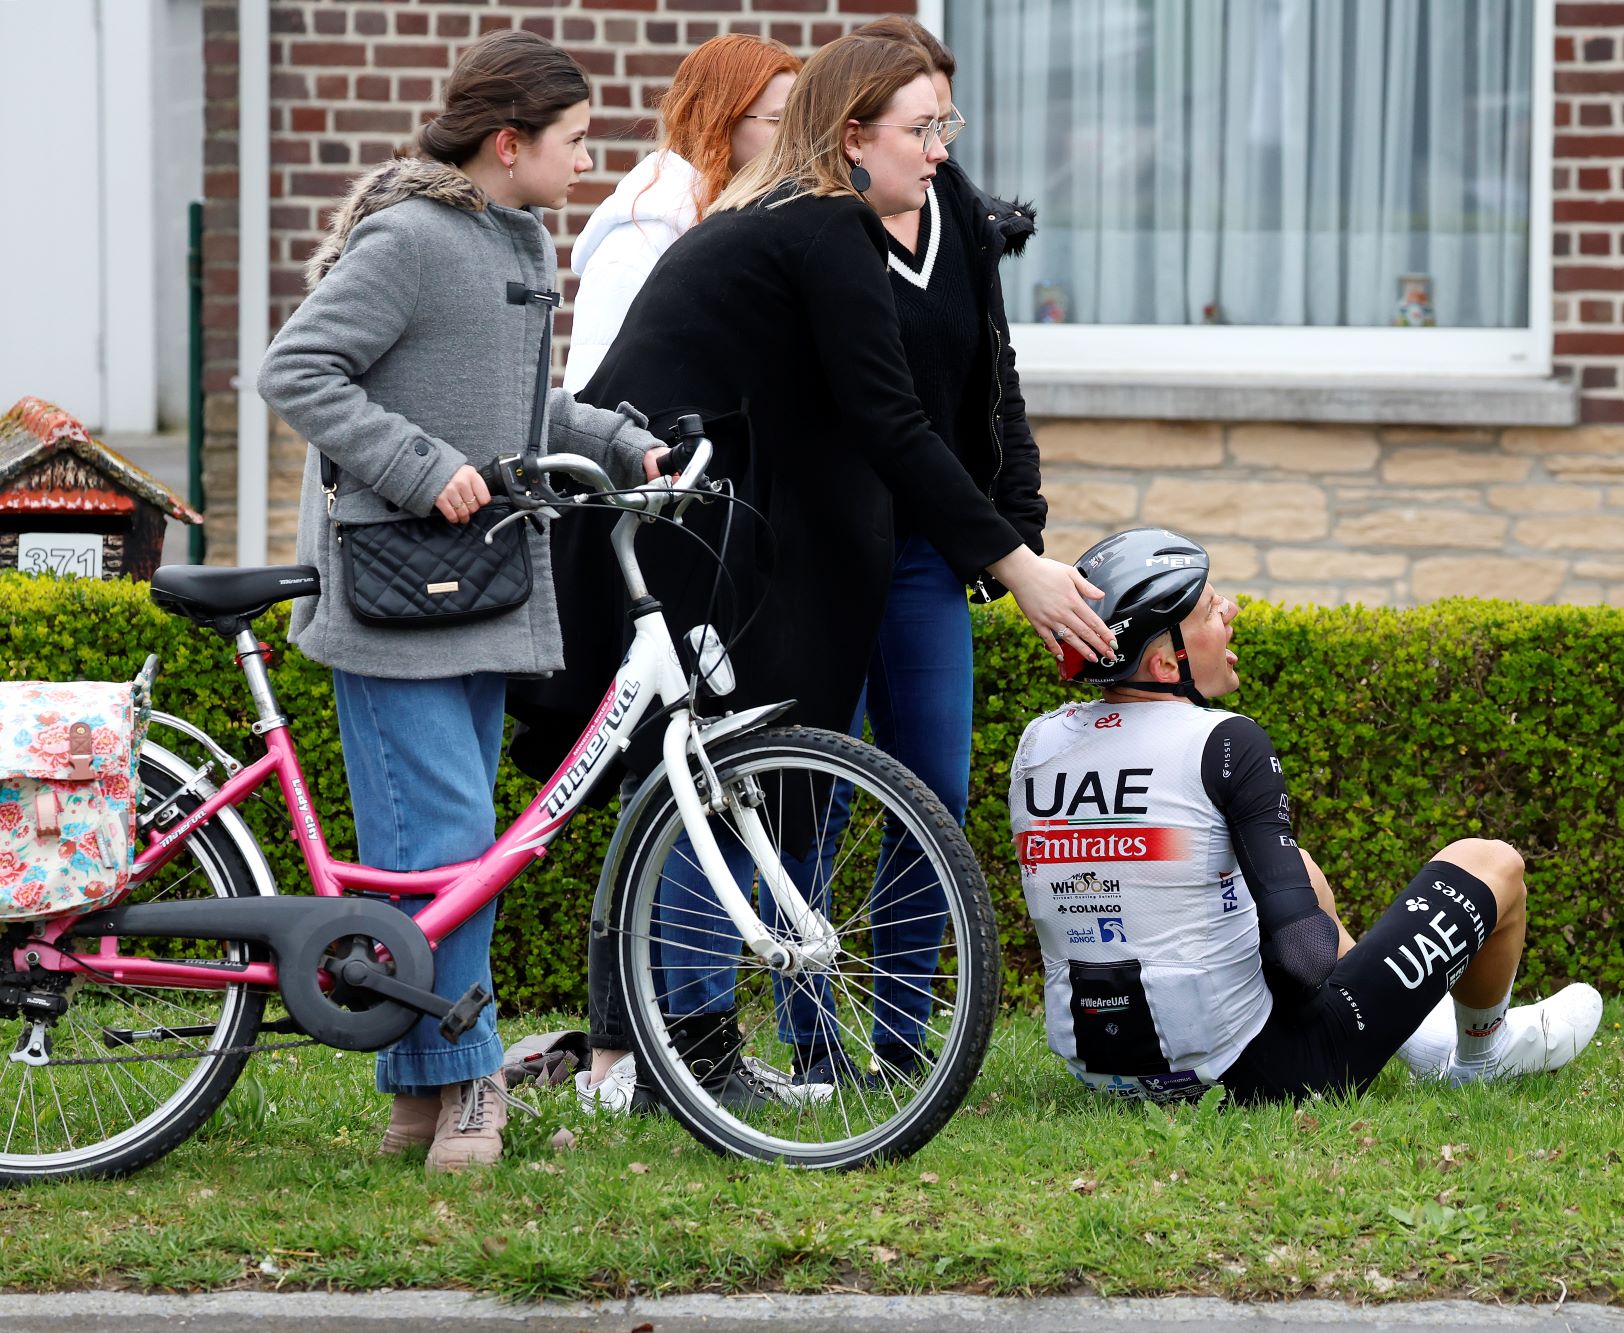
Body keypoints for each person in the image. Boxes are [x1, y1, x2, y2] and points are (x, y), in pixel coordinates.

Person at [563, 32, 1113, 1110]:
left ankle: (900, 1041)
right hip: (796, 539)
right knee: (781, 787)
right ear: (851, 135)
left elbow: (985, 384)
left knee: (928, 792)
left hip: (916, 542)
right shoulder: (811, 230)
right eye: (922, 128)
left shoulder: (945, 211)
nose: (942, 149)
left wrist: (1017, 529)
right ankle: (731, 1049)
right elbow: (885, 418)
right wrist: (1015, 561)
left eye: (947, 123)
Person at [257, 30, 672, 1170]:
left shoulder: (519, 237)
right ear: (509, 141)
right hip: (394, 591)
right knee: (444, 843)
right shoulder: (407, 239)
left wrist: (626, 445)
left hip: (479, 584)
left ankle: (420, 1093)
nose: (588, 163)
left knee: (451, 860)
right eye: (575, 141)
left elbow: (525, 407)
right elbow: (296, 369)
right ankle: (470, 1078)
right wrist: (415, 462)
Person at [1008, 528, 1604, 1104]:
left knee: (1297, 869)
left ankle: (1429, 1045)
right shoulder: (1223, 740)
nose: (1232, 609)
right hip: (1257, 1073)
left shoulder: (1040, 742)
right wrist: (1349, 998)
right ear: (1167, 664)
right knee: (1490, 862)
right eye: (1212, 609)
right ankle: (1481, 1056)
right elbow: (1303, 958)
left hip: (1103, 1069)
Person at [561, 33, 801, 392]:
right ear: (720, 119)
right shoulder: (638, 240)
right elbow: (592, 399)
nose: (795, 140)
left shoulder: (746, 224)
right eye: (777, 122)